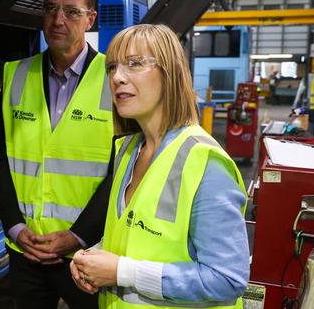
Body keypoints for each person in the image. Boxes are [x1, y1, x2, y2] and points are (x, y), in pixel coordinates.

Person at [70, 24, 249, 308]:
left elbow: (227, 279)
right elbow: (133, 237)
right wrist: (94, 257)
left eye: (135, 64)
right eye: (112, 67)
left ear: (170, 74)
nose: (117, 77)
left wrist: (122, 271)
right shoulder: (128, 151)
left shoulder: (205, 163)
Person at [0, 0, 114, 309]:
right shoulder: (15, 75)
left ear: (89, 19)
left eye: (72, 12)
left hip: (88, 255)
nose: (58, 20)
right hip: (26, 251)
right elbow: (0, 159)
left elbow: (120, 173)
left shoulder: (114, 80)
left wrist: (76, 237)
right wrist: (15, 228)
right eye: (50, 9)